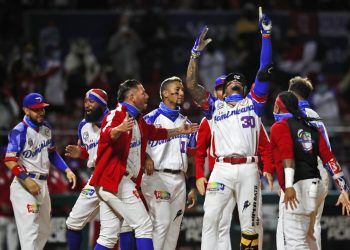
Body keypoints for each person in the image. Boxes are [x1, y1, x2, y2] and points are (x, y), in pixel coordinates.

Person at [186, 6, 273, 250]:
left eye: (240, 81)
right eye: (231, 80)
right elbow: (191, 84)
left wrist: (266, 35)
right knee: (211, 220)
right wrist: (194, 54)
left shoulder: (253, 104)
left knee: (250, 225)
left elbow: (264, 71)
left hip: (248, 169)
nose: (236, 81)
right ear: (224, 90)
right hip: (221, 169)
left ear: (245, 89)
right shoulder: (215, 108)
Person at [89, 79, 198, 250]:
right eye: (143, 93)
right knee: (145, 226)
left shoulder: (138, 120)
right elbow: (106, 133)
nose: (147, 96)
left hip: (120, 181)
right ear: (132, 97)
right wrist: (119, 129)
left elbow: (156, 133)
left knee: (108, 236)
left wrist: (179, 130)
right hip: (114, 180)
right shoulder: (117, 114)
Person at [196, 76, 274, 250]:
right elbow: (200, 151)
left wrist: (267, 168)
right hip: (220, 171)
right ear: (219, 92)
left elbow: (264, 146)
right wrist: (200, 175)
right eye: (218, 88)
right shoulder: (211, 115)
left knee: (252, 221)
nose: (219, 91)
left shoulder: (249, 113)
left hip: (247, 169)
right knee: (215, 221)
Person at [270, 91, 350, 250]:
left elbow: (287, 156)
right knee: (310, 238)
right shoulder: (310, 126)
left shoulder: (279, 126)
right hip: (317, 186)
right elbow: (330, 158)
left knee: (295, 242)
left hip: (298, 187)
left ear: (279, 107)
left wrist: (289, 186)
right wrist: (344, 189)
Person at [3, 92, 77, 250]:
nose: (41, 112)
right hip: (25, 185)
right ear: (26, 110)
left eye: (42, 108)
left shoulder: (46, 128)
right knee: (30, 232)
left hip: (42, 185)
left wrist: (66, 169)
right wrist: (27, 180)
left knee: (44, 231)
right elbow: (9, 160)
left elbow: (52, 153)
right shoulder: (19, 131)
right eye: (36, 109)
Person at [135, 76, 197, 250]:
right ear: (164, 93)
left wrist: (191, 185)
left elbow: (191, 158)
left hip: (179, 180)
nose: (181, 92)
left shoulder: (187, 123)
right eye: (177, 90)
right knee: (161, 223)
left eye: (182, 90)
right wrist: (146, 157)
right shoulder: (149, 119)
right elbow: (134, 145)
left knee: (174, 229)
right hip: (156, 176)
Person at [65, 89, 120, 250]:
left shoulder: (114, 120)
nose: (87, 105)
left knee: (118, 230)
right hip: (96, 176)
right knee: (73, 223)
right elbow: (90, 153)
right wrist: (80, 153)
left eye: (92, 101)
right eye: (85, 101)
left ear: (102, 104)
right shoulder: (83, 125)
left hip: (115, 174)